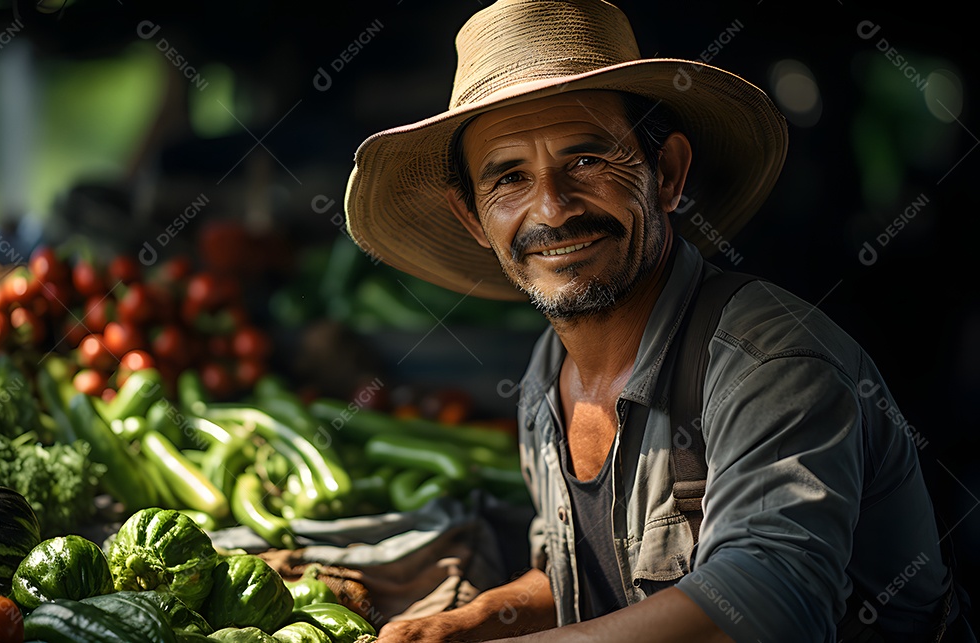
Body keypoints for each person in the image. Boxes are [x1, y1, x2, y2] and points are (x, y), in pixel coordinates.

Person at [343, 1, 973, 641]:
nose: (553, 209)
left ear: (666, 174)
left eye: (588, 160)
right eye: (509, 176)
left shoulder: (772, 364)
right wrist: (463, 625)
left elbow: (769, 607)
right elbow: (586, 576)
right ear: (475, 218)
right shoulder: (546, 376)